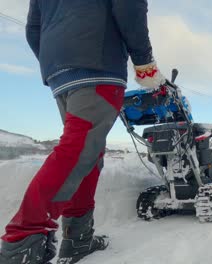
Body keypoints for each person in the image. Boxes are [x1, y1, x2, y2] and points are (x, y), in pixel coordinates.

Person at [0, 1, 165, 263]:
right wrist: (145, 64)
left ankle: (78, 238)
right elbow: (129, 7)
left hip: (59, 72)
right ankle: (23, 239)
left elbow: (33, 29)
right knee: (77, 150)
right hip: (99, 63)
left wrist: (57, 57)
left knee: (86, 152)